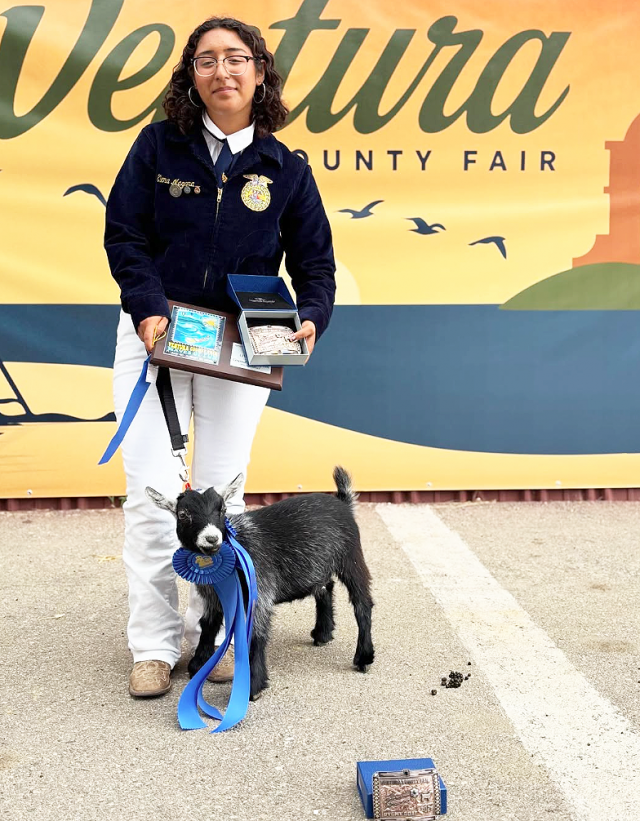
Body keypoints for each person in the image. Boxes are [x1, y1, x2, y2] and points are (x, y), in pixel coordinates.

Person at [104, 16, 336, 698]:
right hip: (155, 339)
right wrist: (146, 304)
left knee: (221, 503)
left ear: (259, 73)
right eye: (207, 60)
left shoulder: (285, 168)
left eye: (237, 59)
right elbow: (124, 234)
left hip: (240, 349)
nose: (223, 71)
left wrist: (312, 320)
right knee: (152, 497)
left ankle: (219, 633)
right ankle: (152, 645)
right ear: (191, 75)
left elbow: (316, 262)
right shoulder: (156, 148)